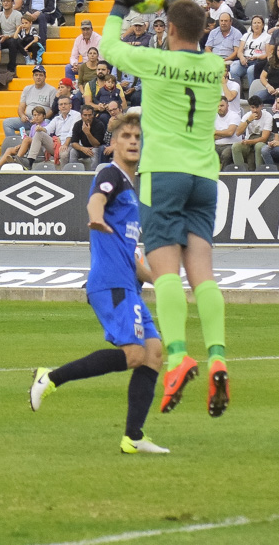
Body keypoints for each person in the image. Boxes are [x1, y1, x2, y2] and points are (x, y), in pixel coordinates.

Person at [101, 0, 230, 417]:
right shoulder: (216, 66)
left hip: (164, 172)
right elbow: (186, 29)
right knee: (204, 275)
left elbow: (108, 48)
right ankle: (218, 356)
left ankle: (177, 356)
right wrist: (175, 7)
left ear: (168, 30)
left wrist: (121, 4)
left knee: (166, 269)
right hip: (205, 176)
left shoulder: (156, 62)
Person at [28, 112, 169, 455]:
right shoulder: (111, 175)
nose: (134, 141)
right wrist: (94, 218)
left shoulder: (132, 191)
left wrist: (162, 280)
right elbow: (95, 201)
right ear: (113, 144)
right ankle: (50, 378)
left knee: (153, 353)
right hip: (110, 283)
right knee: (134, 353)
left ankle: (133, 437)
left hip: (128, 282)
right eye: (127, 136)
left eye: (138, 136)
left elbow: (133, 258)